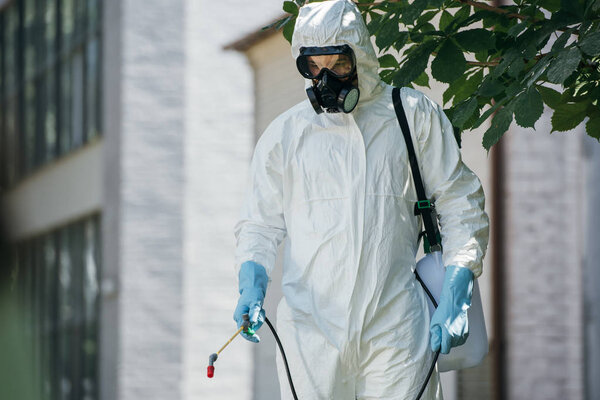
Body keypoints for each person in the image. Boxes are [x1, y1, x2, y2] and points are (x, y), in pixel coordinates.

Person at [233, 0, 489, 399]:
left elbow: (461, 204)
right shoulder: (285, 136)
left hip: (395, 327)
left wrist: (456, 294)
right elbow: (259, 225)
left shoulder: (410, 115)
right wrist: (251, 287)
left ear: (361, 56)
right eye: (313, 67)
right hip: (310, 333)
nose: (326, 78)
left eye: (339, 65)